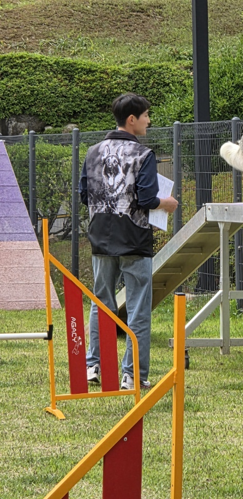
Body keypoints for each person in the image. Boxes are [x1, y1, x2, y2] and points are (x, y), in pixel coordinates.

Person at [79, 93, 178, 390]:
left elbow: (85, 195)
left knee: (101, 303)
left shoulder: (93, 152)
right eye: (146, 115)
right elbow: (147, 199)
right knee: (137, 308)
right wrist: (167, 203)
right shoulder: (143, 155)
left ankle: (93, 367)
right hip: (134, 239)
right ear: (132, 119)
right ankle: (132, 375)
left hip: (100, 237)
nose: (149, 120)